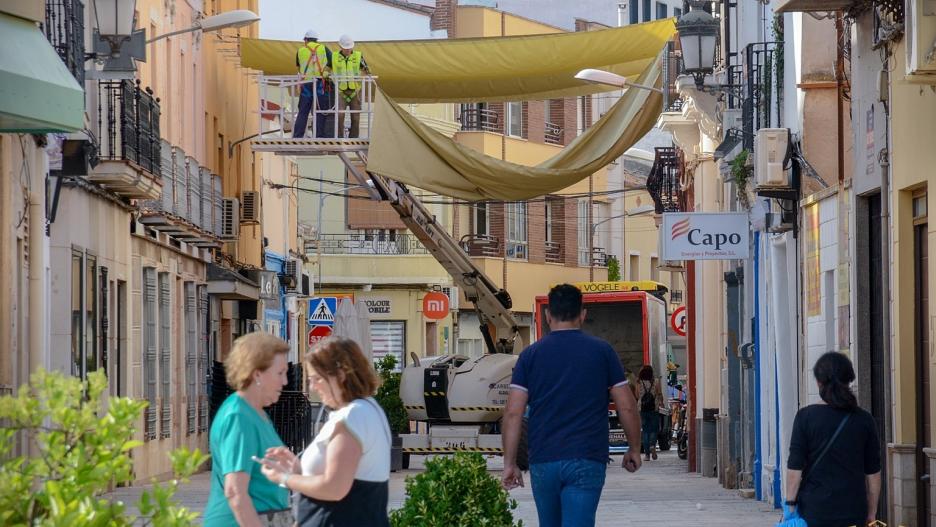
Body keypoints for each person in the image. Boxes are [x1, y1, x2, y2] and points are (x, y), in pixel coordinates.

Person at [501, 283, 643, 527]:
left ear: (547, 316)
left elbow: (513, 413)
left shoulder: (530, 356)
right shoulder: (602, 352)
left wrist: (509, 463)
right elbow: (627, 406)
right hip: (586, 457)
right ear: (583, 314)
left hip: (543, 459)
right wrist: (634, 448)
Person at [257, 337, 391, 527]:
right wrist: (298, 470)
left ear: (341, 375)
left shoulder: (353, 416)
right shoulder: (367, 409)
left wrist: (285, 478)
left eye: (317, 379)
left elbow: (335, 488)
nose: (313, 387)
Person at [784, 351, 882, 527]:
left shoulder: (805, 417)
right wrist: (872, 512)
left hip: (815, 510)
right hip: (854, 510)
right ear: (848, 381)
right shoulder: (864, 419)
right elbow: (873, 472)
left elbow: (795, 468)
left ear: (819, 382)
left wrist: (790, 505)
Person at [204, 333, 291, 526]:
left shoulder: (256, 413)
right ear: (257, 373)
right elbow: (235, 491)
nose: (285, 382)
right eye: (280, 373)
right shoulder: (238, 416)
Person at [293, 29, 333, 138]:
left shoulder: (300, 51)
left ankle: (297, 136)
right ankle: (319, 135)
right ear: (316, 40)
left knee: (303, 111)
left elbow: (299, 67)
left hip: (306, 83)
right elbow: (332, 62)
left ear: (306, 40)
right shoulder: (324, 49)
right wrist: (325, 71)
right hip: (320, 83)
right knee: (320, 110)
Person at [332, 34, 370, 138]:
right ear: (340, 47)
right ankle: (339, 138)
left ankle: (353, 137)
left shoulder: (358, 56)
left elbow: (366, 70)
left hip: (355, 91)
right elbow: (328, 67)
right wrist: (326, 73)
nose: (348, 50)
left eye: (349, 48)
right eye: (345, 48)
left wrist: (363, 77)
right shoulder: (334, 56)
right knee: (339, 115)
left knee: (356, 117)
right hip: (341, 91)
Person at [635, 365, 666, 461]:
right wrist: (662, 402)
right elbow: (659, 393)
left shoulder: (638, 382)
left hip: (642, 409)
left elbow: (636, 395)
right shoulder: (656, 381)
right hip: (654, 408)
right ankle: (652, 445)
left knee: (645, 431)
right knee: (654, 429)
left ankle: (647, 455)